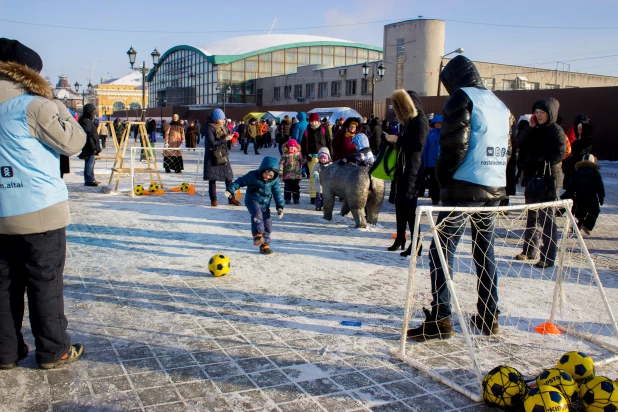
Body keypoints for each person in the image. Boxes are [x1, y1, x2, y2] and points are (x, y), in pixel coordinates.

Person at [406, 56, 512, 341]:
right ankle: (489, 315)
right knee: (484, 250)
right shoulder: (497, 103)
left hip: (464, 185)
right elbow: (508, 147)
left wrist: (442, 180)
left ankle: (441, 318)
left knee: (441, 250)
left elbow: (453, 145)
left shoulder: (462, 98)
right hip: (493, 184)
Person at [0, 38, 86, 370]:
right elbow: (73, 142)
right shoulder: (34, 106)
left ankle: (6, 352)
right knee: (43, 280)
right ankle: (53, 349)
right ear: (27, 73)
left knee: (4, 284)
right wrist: (58, 106)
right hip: (38, 210)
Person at [515, 97, 567, 268]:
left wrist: (539, 159)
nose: (538, 115)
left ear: (550, 113)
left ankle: (548, 256)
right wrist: (529, 129)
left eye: (542, 112)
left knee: (547, 219)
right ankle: (529, 250)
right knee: (532, 216)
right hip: (532, 178)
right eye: (536, 112)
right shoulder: (534, 129)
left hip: (549, 179)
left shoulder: (556, 130)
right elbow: (519, 143)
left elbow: (560, 153)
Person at [385, 90, 429, 257]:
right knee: (400, 205)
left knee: (409, 207)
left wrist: (398, 140)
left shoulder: (420, 120)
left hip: (413, 170)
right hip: (404, 169)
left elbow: (418, 144)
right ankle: (400, 238)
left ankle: (416, 243)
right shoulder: (410, 122)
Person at [225, 156, 285, 255]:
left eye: (270, 175)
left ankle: (264, 244)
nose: (267, 177)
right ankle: (257, 235)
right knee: (257, 214)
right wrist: (230, 189)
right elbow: (240, 181)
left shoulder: (274, 181)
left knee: (267, 223)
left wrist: (280, 207)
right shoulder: (253, 175)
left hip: (265, 204)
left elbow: (277, 193)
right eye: (266, 174)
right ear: (262, 170)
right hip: (252, 200)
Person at [204, 109, 240, 207]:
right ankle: (214, 200)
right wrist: (225, 139)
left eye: (223, 119)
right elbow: (212, 143)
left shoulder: (224, 126)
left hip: (223, 153)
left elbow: (225, 139)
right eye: (220, 119)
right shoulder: (209, 127)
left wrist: (232, 138)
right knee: (212, 178)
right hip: (212, 155)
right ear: (215, 119)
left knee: (228, 178)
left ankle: (231, 198)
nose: (222, 121)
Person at [564, 154, 604, 235]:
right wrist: (601, 197)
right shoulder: (595, 173)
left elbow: (570, 185)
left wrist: (570, 194)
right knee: (594, 211)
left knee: (580, 212)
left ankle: (576, 227)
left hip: (580, 196)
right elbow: (600, 186)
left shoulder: (577, 172)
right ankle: (587, 225)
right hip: (592, 197)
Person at [302, 112, 333, 204]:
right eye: (312, 121)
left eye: (315, 121)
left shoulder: (324, 129)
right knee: (313, 176)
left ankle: (325, 195)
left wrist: (331, 155)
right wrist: (306, 154)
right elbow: (303, 145)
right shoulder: (307, 131)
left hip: (324, 157)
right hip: (312, 157)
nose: (313, 123)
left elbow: (329, 142)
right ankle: (313, 196)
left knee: (326, 177)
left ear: (318, 120)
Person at [561, 115, 593, 200]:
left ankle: (562, 210)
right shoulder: (573, 134)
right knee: (571, 192)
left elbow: (580, 152)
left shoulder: (587, 140)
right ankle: (562, 210)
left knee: (573, 192)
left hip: (580, 169)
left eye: (581, 129)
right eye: (578, 129)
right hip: (573, 169)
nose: (579, 131)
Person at [78, 104, 102, 186]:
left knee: (91, 163)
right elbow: (88, 135)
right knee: (89, 163)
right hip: (89, 146)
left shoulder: (87, 120)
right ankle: (89, 179)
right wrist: (93, 146)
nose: (94, 114)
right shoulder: (86, 121)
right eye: (93, 112)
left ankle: (91, 178)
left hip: (90, 146)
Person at [422, 114, 442, 205]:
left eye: (440, 123)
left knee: (442, 181)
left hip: (443, 163)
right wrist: (425, 164)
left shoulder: (446, 134)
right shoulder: (430, 134)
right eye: (436, 123)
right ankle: (434, 198)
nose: (438, 125)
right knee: (433, 183)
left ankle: (442, 197)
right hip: (432, 163)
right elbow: (425, 149)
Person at [278, 139, 303, 204]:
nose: (292, 148)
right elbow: (281, 164)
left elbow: (302, 161)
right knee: (287, 187)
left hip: (296, 174)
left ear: (296, 147)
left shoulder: (298, 154)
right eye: (290, 146)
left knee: (296, 188)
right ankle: (287, 198)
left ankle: (296, 199)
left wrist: (305, 159)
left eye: (294, 146)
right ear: (288, 147)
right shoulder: (285, 155)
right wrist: (280, 173)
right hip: (287, 175)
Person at [312, 147, 332, 211]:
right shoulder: (317, 165)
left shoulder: (330, 165)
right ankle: (318, 206)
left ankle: (327, 207)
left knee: (327, 197)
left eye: (324, 158)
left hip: (328, 184)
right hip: (319, 183)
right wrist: (316, 174)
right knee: (319, 196)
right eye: (321, 158)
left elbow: (334, 171)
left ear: (328, 158)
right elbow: (314, 170)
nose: (323, 159)